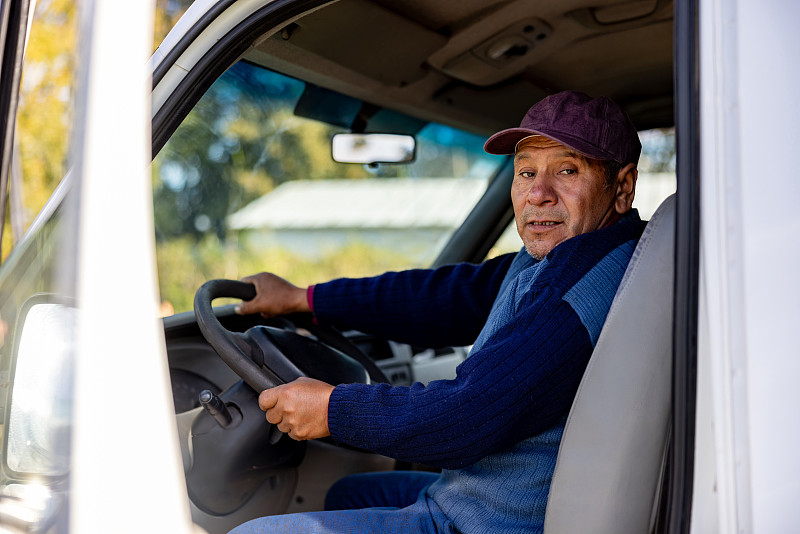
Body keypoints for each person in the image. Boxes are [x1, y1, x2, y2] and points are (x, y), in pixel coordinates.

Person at [230, 90, 645, 534]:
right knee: (346, 492)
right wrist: (304, 298)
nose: (538, 194)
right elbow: (442, 297)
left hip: (484, 524)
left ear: (621, 187)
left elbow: (466, 415)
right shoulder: (579, 255)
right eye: (526, 172)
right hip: (478, 498)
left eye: (567, 170)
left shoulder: (573, 296)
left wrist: (332, 408)